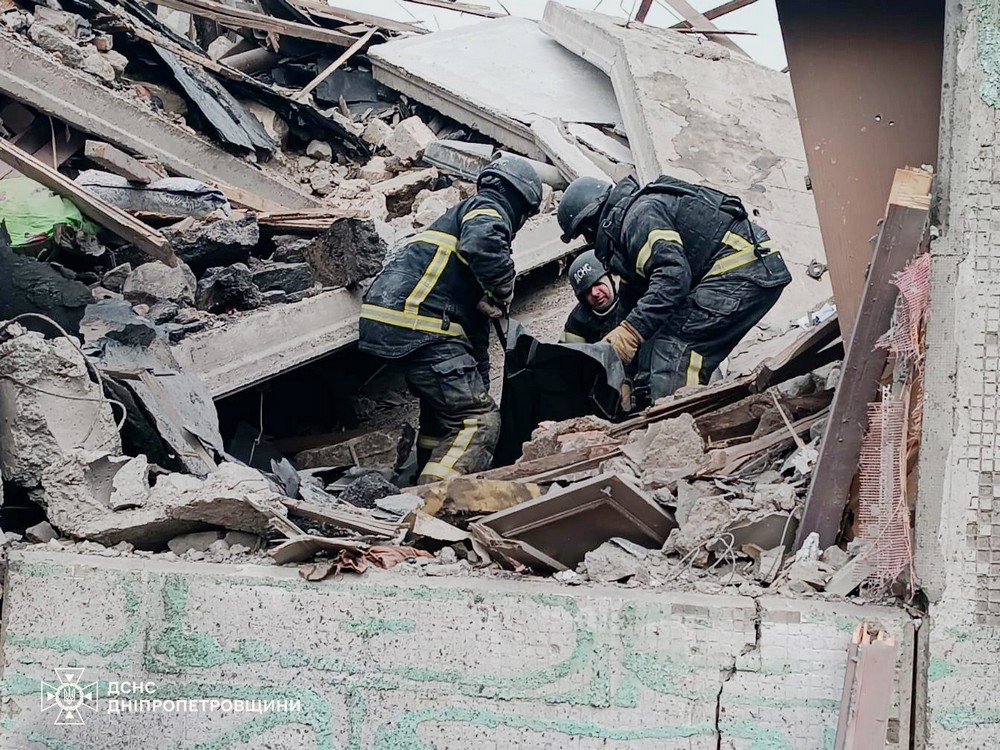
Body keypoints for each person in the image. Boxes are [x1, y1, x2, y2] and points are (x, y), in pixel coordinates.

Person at [359, 155, 543, 484]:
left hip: (397, 319)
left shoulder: (453, 227)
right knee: (478, 420)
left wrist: (480, 383)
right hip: (419, 322)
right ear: (519, 200)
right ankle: (433, 503)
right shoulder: (488, 206)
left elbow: (473, 338)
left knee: (445, 418)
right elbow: (483, 242)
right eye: (526, 216)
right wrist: (502, 289)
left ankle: (421, 478)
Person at [557, 174, 791, 405]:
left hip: (742, 269)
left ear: (591, 222)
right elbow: (633, 299)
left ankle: (679, 425)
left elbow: (673, 277)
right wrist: (626, 372)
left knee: (674, 349)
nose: (590, 241)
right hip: (745, 269)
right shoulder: (629, 229)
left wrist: (629, 333)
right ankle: (662, 409)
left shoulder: (637, 218)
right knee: (655, 338)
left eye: (585, 234)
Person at [560, 250, 619, 344]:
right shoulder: (578, 321)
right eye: (587, 291)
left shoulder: (636, 298)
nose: (594, 293)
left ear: (611, 279)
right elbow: (566, 355)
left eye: (597, 284)